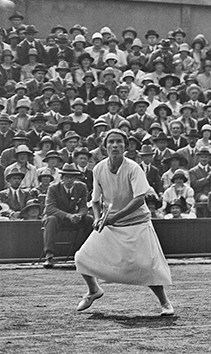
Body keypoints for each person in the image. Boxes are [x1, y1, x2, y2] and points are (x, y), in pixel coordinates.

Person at [73, 129, 174, 315]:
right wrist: (97, 218)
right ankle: (94, 290)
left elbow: (138, 200)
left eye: (119, 142)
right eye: (111, 142)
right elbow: (95, 200)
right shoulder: (98, 169)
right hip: (110, 224)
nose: (115, 145)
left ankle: (165, 303)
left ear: (125, 147)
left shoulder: (134, 168)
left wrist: (112, 218)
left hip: (137, 223)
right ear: (105, 147)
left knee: (148, 267)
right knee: (81, 258)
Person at [41, 163, 93, 268]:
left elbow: (84, 207)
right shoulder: (53, 188)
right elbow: (50, 208)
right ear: (62, 178)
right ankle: (49, 256)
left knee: (89, 219)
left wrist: (79, 215)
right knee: (51, 220)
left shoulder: (81, 187)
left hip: (73, 218)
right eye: (67, 177)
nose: (69, 180)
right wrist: (68, 216)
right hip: (58, 218)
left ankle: (80, 253)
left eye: (72, 177)